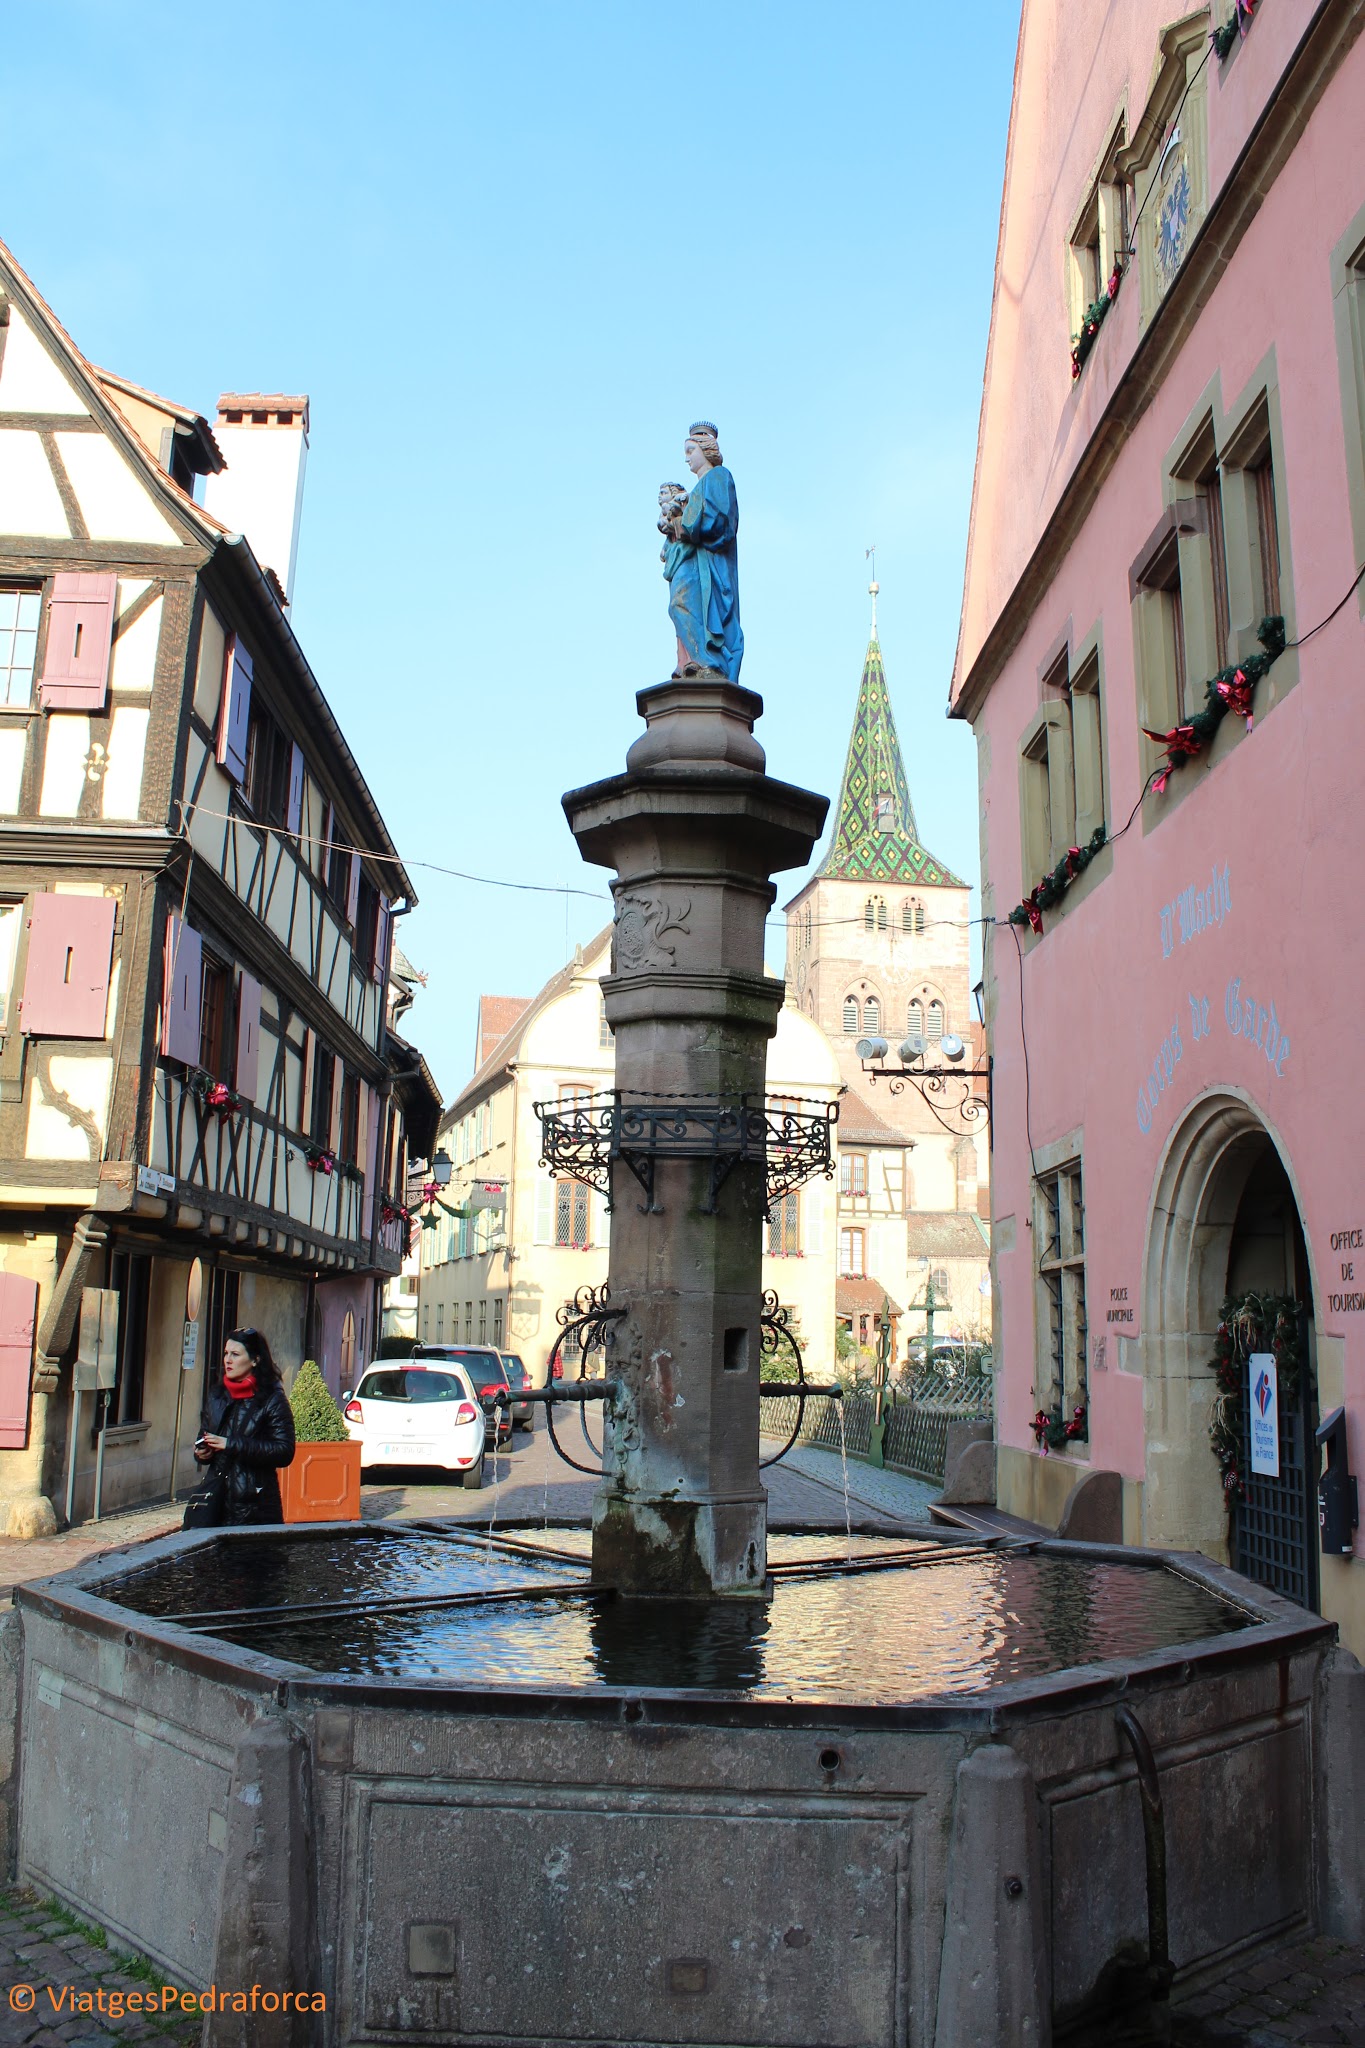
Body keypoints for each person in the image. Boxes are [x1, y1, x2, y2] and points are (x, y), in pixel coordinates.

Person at [186, 1328, 296, 1528]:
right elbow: (204, 1436)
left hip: (256, 1507)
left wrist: (231, 1445)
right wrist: (202, 1452)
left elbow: (285, 1451)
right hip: (216, 1503)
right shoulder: (217, 1396)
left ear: (255, 1360)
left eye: (235, 1355)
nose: (228, 1360)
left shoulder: (272, 1399)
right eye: (226, 1354)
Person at [661, 422, 743, 681]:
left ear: (705, 450)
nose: (687, 458)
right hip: (696, 564)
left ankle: (709, 661)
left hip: (711, 567)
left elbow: (718, 521)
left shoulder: (719, 477)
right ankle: (694, 662)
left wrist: (681, 524)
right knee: (681, 607)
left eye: (690, 450)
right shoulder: (695, 490)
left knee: (684, 606)